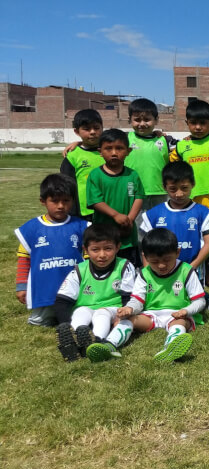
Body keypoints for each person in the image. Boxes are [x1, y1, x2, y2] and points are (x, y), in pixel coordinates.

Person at [90, 228, 206, 363]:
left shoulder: (187, 271)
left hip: (178, 314)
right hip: (151, 315)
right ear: (145, 257)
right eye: (155, 262)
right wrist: (130, 309)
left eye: (167, 260)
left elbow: (200, 301)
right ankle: (109, 345)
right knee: (129, 319)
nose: (161, 265)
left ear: (177, 252)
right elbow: (137, 300)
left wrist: (186, 311)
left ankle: (171, 348)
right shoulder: (144, 274)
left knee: (180, 323)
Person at [14, 174, 90, 326]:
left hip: (74, 290)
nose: (61, 206)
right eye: (55, 201)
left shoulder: (82, 227)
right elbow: (24, 258)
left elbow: (89, 258)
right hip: (44, 291)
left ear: (73, 201)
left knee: (79, 319)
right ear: (43, 201)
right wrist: (22, 286)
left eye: (66, 201)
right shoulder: (31, 228)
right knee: (40, 322)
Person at [53, 224, 136, 362]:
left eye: (108, 249)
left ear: (118, 247)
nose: (102, 255)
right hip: (88, 308)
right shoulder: (79, 270)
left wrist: (124, 315)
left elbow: (129, 297)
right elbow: (62, 301)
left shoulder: (125, 266)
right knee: (81, 311)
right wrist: (65, 323)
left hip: (113, 310)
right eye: (95, 249)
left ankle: (95, 341)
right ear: (86, 250)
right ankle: (72, 339)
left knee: (101, 313)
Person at [139, 161, 209, 286]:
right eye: (173, 189)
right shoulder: (153, 214)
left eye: (184, 188)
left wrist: (190, 268)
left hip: (193, 272)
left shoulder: (203, 212)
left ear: (193, 184)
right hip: (160, 274)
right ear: (164, 187)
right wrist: (148, 274)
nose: (179, 194)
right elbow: (145, 248)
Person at [85, 129, 144, 265]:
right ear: (100, 151)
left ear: (128, 151)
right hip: (103, 237)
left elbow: (139, 197)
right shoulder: (95, 175)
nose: (114, 153)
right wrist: (116, 215)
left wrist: (129, 220)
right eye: (108, 148)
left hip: (128, 236)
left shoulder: (132, 175)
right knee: (106, 268)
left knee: (129, 269)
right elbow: (96, 201)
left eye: (119, 148)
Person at [170, 99, 209, 208]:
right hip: (191, 198)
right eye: (193, 123)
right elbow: (170, 164)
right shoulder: (182, 145)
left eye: (203, 123)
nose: (198, 127)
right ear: (187, 123)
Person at [125, 98, 171, 212]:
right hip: (132, 193)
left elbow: (188, 145)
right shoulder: (123, 139)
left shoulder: (166, 140)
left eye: (147, 119)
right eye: (137, 120)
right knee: (136, 227)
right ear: (129, 120)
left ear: (156, 120)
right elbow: (98, 144)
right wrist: (79, 143)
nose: (142, 124)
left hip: (159, 192)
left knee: (159, 227)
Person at [60, 108, 104, 219]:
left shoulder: (109, 150)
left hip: (110, 208)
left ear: (102, 128)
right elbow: (67, 186)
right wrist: (72, 211)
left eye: (96, 128)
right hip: (84, 211)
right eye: (87, 129)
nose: (92, 132)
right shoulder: (73, 156)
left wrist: (156, 133)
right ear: (76, 131)